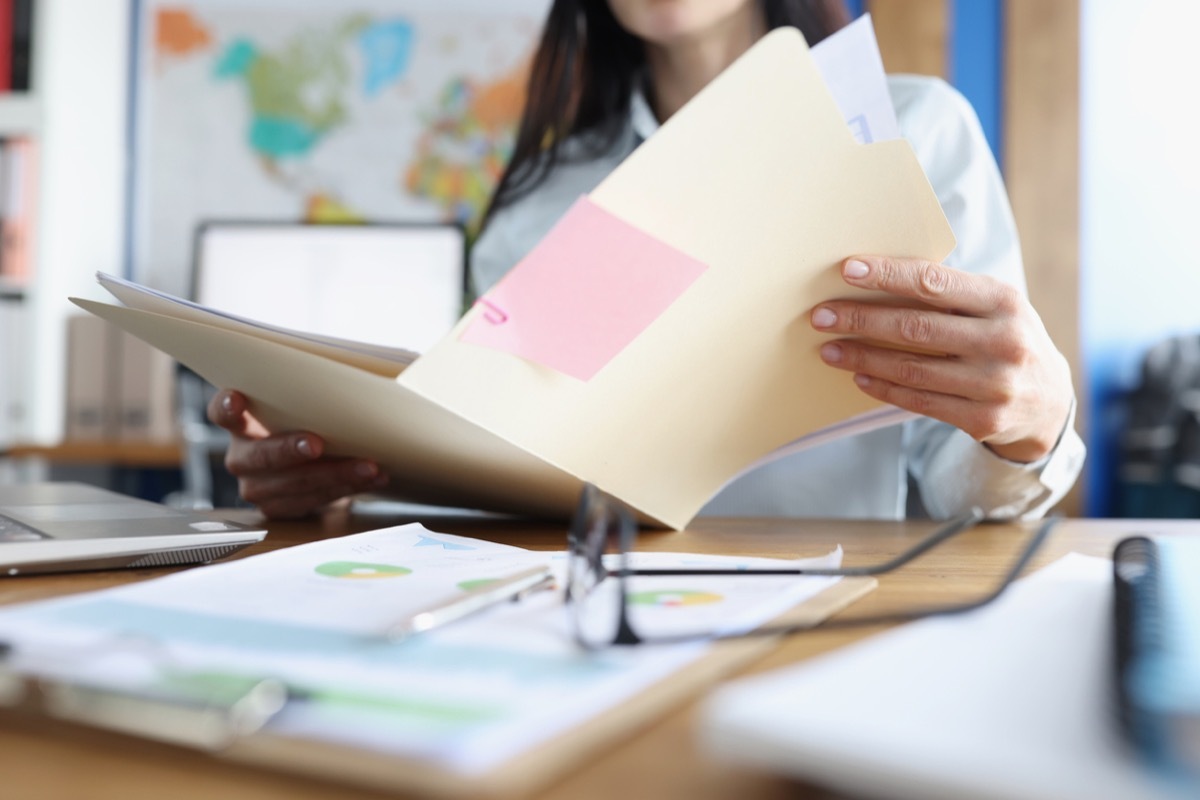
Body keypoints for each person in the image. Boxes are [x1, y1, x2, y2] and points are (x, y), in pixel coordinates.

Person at [208, 0, 1085, 521]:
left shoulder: (915, 131)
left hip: (838, 617)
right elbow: (498, 473)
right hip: (586, 620)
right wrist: (342, 487)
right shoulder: (536, 202)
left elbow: (965, 490)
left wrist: (1028, 430)